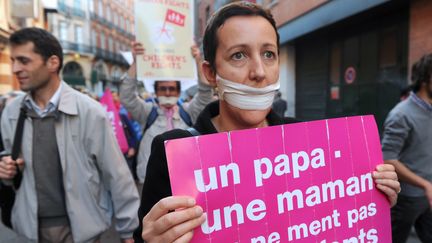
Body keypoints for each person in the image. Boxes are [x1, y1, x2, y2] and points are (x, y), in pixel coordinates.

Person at [135, 2, 401, 243]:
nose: (259, 72)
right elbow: (148, 235)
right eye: (238, 55)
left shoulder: (305, 138)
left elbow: (330, 220)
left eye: (269, 54)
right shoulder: (174, 151)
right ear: (210, 73)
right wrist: (151, 240)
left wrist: (370, 198)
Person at [0, 27, 139, 243]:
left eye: (24, 60)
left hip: (82, 232)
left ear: (52, 63)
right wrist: (6, 170)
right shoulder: (11, 112)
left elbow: (116, 174)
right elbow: (10, 166)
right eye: (13, 60)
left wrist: (129, 231)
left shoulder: (90, 111)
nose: (16, 68)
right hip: (28, 230)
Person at [120, 42, 214, 184]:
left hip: (186, 181)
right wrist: (135, 63)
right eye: (163, 89)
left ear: (178, 91)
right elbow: (127, 97)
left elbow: (205, 94)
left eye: (172, 88)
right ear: (156, 91)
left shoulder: (188, 111)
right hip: (151, 183)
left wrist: (197, 61)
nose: (168, 92)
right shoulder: (147, 112)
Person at [382, 54, 432, 243]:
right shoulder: (401, 114)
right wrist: (425, 184)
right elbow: (388, 159)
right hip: (405, 198)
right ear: (426, 78)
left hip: (427, 197)